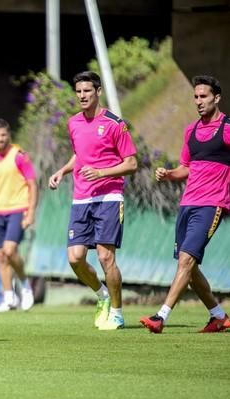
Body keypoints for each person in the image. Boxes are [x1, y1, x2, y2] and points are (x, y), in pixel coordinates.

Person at [141, 75, 230, 334]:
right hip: (187, 204)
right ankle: (218, 316)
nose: (199, 101)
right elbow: (186, 168)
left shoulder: (227, 128)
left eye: (204, 96)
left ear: (217, 97)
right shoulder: (190, 131)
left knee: (186, 261)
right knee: (189, 268)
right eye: (196, 97)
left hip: (212, 204)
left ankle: (161, 316)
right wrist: (169, 174)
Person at [48, 71, 137, 330]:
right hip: (81, 199)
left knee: (105, 257)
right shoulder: (73, 122)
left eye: (87, 91)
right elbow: (81, 155)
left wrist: (102, 172)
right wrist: (62, 171)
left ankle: (118, 314)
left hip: (109, 196)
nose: (82, 96)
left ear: (98, 92)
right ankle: (102, 295)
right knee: (75, 258)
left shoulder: (114, 123)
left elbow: (131, 163)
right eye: (78, 91)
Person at [0, 119, 38, 312]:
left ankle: (25, 285)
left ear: (9, 135)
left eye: (4, 135)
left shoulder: (19, 156)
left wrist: (30, 212)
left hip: (18, 210)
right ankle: (9, 298)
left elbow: (32, 184)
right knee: (2, 256)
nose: (1, 138)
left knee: (10, 251)